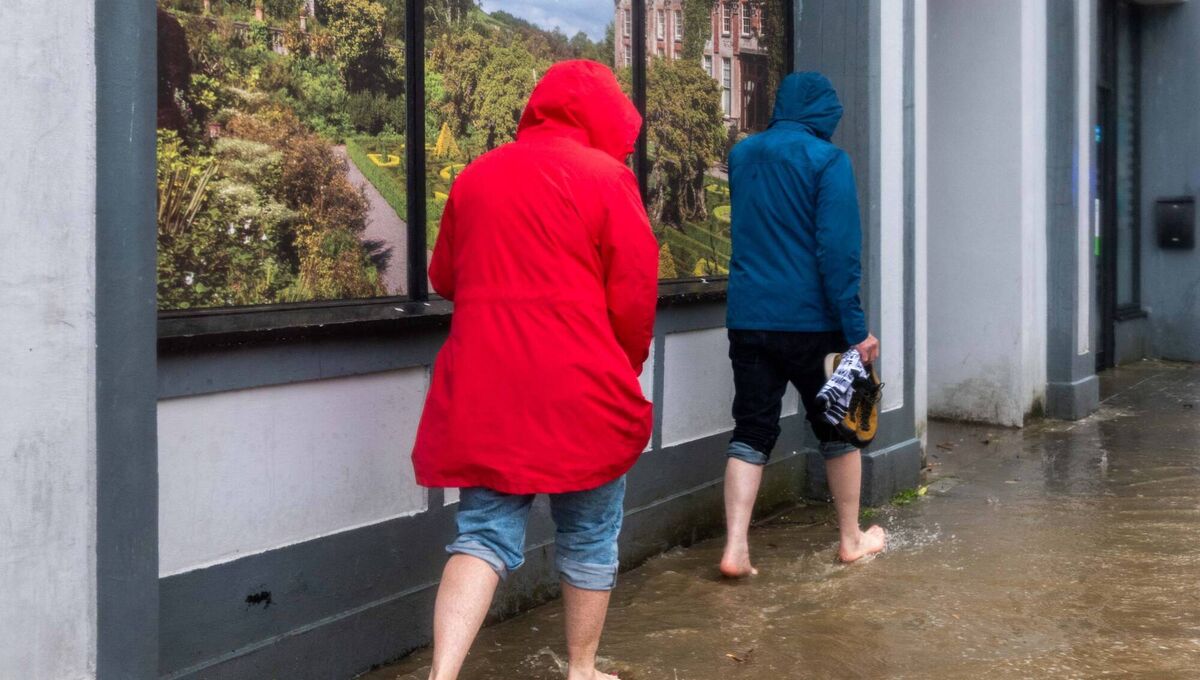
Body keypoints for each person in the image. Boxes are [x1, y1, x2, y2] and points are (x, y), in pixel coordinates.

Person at [411, 60, 658, 680]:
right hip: (583, 390)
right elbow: (633, 293)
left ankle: (441, 676)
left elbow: (444, 277)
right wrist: (621, 366)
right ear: (603, 116)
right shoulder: (608, 179)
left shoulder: (476, 176)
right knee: (590, 537)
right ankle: (581, 670)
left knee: (482, 536)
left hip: (488, 391)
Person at [719, 71, 886, 577]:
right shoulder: (829, 160)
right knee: (840, 431)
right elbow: (838, 253)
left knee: (751, 429)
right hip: (814, 324)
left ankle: (735, 548)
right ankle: (851, 539)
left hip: (749, 318)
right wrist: (856, 331)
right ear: (822, 112)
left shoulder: (743, 155)